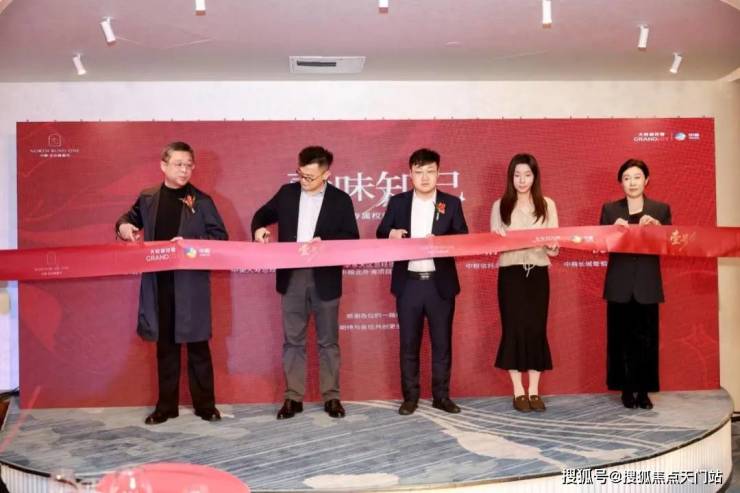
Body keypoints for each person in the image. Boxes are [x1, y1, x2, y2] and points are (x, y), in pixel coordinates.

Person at [116, 141, 228, 424]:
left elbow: (220, 238)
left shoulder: (202, 201)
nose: (184, 170)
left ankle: (206, 406)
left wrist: (190, 243)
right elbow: (128, 219)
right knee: (165, 349)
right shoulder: (148, 197)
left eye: (189, 165)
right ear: (163, 166)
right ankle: (166, 407)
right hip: (159, 285)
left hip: (191, 286)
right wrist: (124, 226)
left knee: (198, 348)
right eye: (178, 164)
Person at [251, 146, 359, 419]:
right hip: (292, 276)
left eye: (310, 177)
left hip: (326, 277)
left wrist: (327, 243)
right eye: (301, 174)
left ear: (326, 175)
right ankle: (293, 398)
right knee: (293, 341)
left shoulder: (340, 200)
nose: (304, 180)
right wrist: (259, 229)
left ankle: (332, 397)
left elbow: (352, 238)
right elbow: (261, 215)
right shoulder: (287, 193)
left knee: (328, 342)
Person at [376, 148, 469, 416]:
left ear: (439, 173)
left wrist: (441, 242)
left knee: (442, 345)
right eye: (419, 172)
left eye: (430, 171)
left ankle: (442, 396)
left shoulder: (451, 203)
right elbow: (381, 231)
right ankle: (410, 397)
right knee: (409, 344)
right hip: (409, 284)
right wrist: (392, 233)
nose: (425, 177)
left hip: (440, 285)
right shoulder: (398, 202)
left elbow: (463, 237)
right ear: (410, 174)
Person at [600, 159, 671, 410]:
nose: (632, 182)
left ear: (646, 180)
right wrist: (611, 231)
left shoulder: (660, 209)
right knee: (620, 340)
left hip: (647, 284)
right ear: (621, 182)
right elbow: (601, 245)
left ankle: (644, 391)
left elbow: (669, 244)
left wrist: (658, 229)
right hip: (619, 284)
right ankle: (626, 389)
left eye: (637, 177)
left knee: (647, 341)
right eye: (627, 178)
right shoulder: (610, 210)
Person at [490, 153, 558, 413]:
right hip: (511, 274)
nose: (522, 180)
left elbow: (554, 249)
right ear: (511, 177)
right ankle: (518, 390)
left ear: (534, 177)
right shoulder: (500, 205)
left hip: (538, 273)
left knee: (536, 329)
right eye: (517, 175)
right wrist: (498, 238)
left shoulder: (547, 204)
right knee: (514, 330)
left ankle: (534, 391)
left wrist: (551, 244)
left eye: (527, 175)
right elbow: (494, 245)